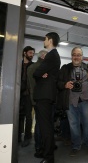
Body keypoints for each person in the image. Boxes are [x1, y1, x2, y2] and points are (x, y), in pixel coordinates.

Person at [57, 47, 88, 157]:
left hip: (86, 100)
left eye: (79, 55)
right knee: (73, 125)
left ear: (82, 56)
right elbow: (57, 82)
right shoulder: (65, 68)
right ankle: (76, 145)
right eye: (74, 54)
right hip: (71, 101)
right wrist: (64, 84)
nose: (76, 57)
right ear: (71, 56)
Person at [33, 32, 61, 163]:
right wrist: (42, 73)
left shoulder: (51, 55)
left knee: (45, 127)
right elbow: (40, 73)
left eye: (45, 38)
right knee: (46, 126)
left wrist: (41, 72)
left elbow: (36, 72)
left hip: (44, 95)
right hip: (46, 95)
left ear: (50, 40)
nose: (44, 40)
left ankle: (49, 158)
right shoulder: (52, 55)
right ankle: (47, 153)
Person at [27, 49, 48, 158]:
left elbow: (29, 86)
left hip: (34, 99)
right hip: (42, 100)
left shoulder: (30, 67)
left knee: (38, 124)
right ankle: (40, 148)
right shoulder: (42, 69)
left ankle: (38, 147)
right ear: (43, 56)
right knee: (41, 125)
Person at [19, 46, 35, 147]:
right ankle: (17, 137)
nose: (32, 55)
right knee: (19, 116)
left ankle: (27, 137)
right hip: (19, 94)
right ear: (24, 53)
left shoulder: (33, 65)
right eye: (30, 53)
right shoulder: (18, 64)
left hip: (28, 95)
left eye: (33, 53)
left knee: (28, 117)